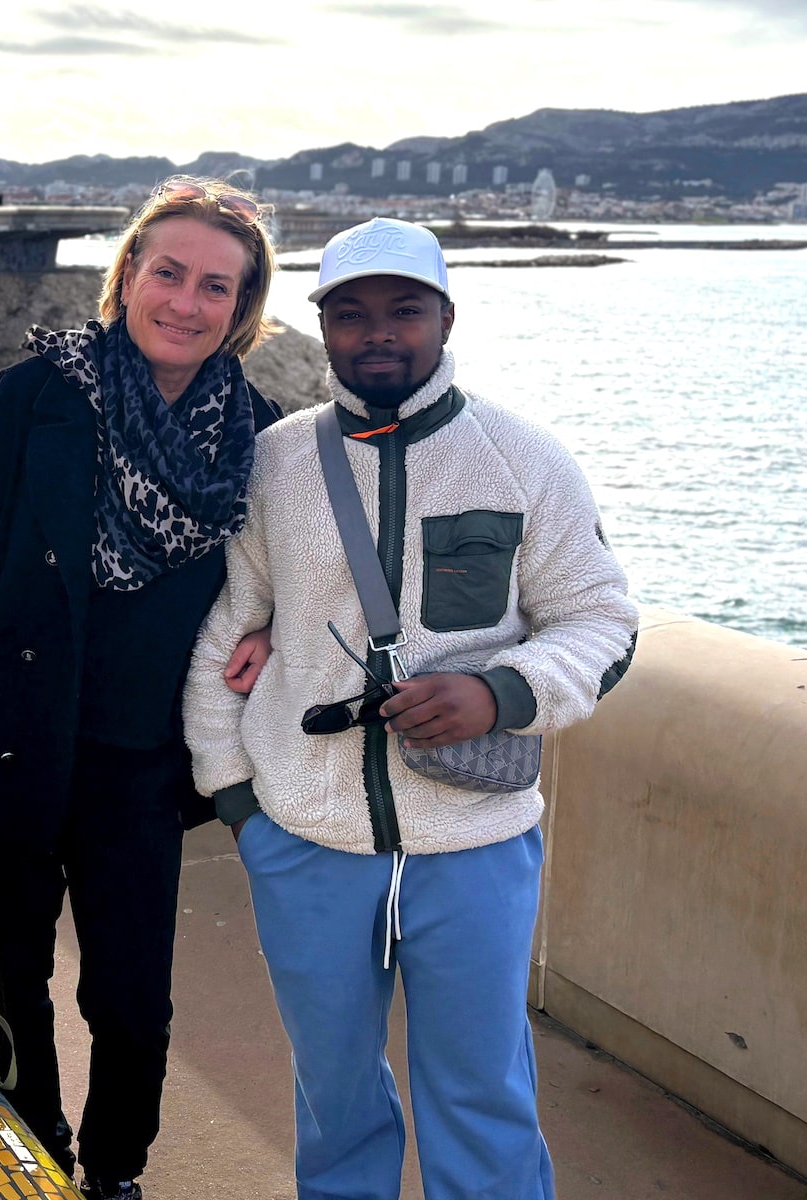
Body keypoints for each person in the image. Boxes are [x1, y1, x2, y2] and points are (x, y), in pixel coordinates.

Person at [183, 218, 638, 1200]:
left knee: (482, 1092)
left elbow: (603, 625)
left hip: (474, 841)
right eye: (351, 314)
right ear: (325, 328)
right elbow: (228, 631)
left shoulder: (524, 460)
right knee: (333, 1091)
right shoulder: (278, 464)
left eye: (403, 310)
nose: (377, 333)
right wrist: (237, 803)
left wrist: (496, 692)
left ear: (446, 317)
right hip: (304, 840)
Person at [0, 177, 284, 1200]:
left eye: (215, 288)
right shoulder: (38, 397)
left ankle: (116, 1174)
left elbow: (284, 576)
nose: (186, 303)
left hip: (143, 770)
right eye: (169, 273)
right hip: (9, 743)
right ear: (129, 275)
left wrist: (272, 626)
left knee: (133, 1003)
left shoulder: (256, 437)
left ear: (243, 311)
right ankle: (30, 1153)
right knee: (8, 983)